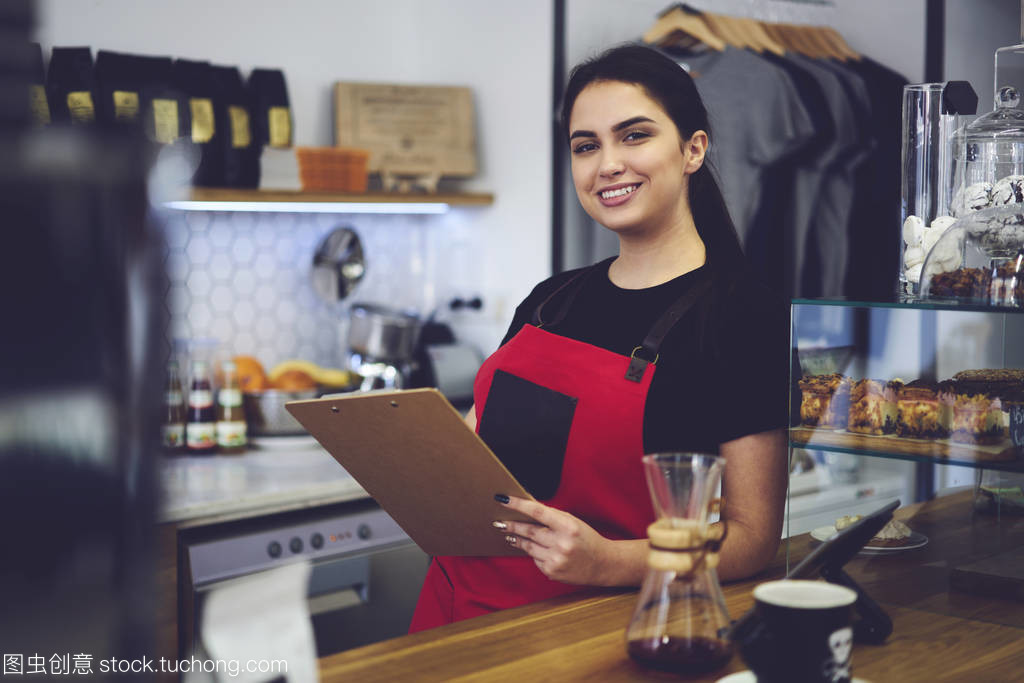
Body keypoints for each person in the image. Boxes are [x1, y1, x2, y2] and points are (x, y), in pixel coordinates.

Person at [409, 43, 789, 632]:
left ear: (693, 149)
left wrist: (607, 561)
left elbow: (752, 540)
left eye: (633, 136)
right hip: (454, 613)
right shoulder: (550, 297)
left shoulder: (741, 313)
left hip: (595, 628)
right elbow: (479, 451)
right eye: (586, 146)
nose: (606, 164)